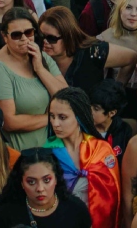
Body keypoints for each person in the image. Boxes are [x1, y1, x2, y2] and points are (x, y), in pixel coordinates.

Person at [0, 5, 66, 150]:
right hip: (19, 156)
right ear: (4, 37)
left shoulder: (41, 57)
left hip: (50, 149)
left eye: (29, 32)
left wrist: (39, 69)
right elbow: (9, 122)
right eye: (16, 35)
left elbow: (67, 98)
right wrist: (53, 118)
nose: (24, 39)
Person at [46, 86, 121, 228]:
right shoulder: (46, 153)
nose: (55, 123)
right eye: (52, 116)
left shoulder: (101, 150)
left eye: (62, 117)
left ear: (79, 117)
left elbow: (111, 198)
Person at [0, 146, 92, 228]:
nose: (40, 188)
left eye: (46, 180)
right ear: (21, 183)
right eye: (31, 182)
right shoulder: (7, 214)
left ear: (56, 179)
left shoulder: (76, 209)